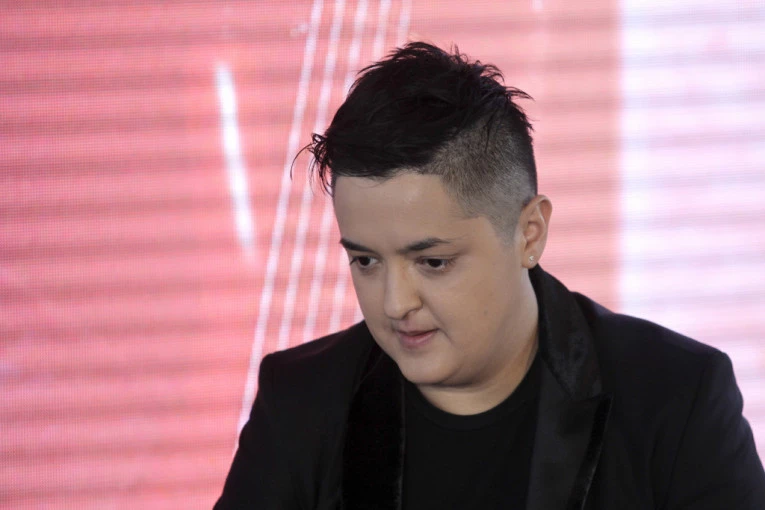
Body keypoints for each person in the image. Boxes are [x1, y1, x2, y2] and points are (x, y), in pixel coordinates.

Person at [215, 42, 765, 509]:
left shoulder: (676, 398)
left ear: (530, 234)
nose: (394, 303)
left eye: (432, 262)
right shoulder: (301, 402)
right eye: (366, 261)